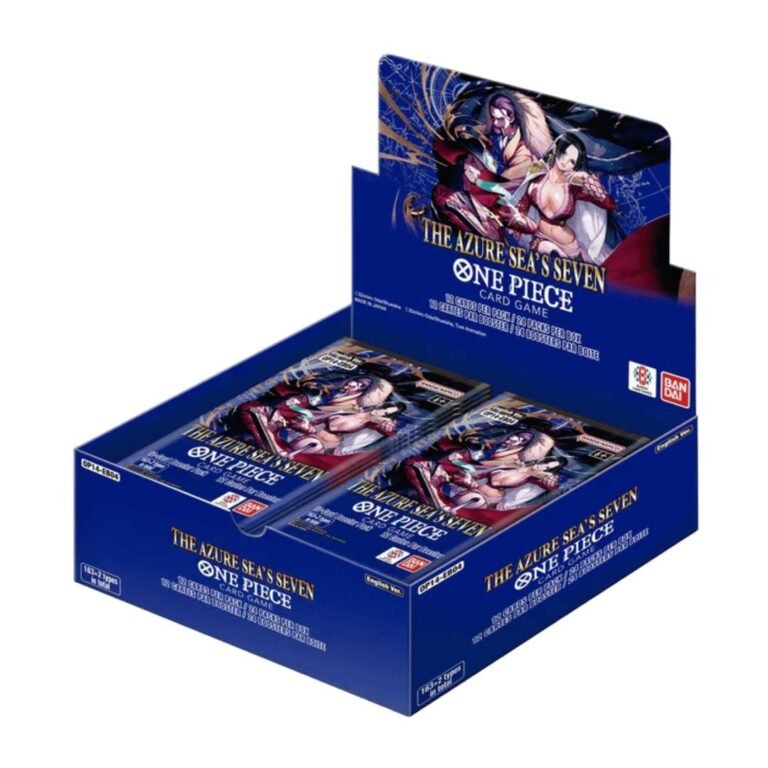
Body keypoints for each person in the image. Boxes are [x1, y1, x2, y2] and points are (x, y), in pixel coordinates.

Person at [505, 133, 616, 261]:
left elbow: (609, 204)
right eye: (564, 153)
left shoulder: (574, 187)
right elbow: (524, 199)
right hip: (540, 238)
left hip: (569, 248)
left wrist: (587, 179)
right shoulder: (539, 174)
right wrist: (520, 217)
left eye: (572, 161)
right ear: (555, 149)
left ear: (576, 166)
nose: (565, 162)